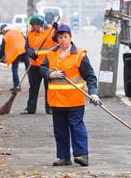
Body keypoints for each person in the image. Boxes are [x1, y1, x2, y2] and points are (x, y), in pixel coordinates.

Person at [40, 24, 102, 167]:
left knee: (77, 128)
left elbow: (90, 76)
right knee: (60, 130)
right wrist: (49, 74)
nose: (63, 40)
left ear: (70, 37)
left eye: (65, 37)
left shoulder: (79, 56)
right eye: (60, 37)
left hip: (74, 101)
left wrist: (93, 93)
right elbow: (42, 68)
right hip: (56, 101)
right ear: (57, 39)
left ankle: (82, 155)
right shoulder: (50, 54)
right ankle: (64, 157)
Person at [21, 15, 57, 114]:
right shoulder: (30, 32)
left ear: (39, 25)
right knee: (33, 87)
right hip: (34, 64)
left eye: (33, 25)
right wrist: (30, 53)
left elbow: (58, 40)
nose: (31, 27)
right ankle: (30, 108)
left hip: (47, 65)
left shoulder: (51, 30)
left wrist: (57, 30)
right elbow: (27, 46)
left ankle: (49, 108)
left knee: (49, 87)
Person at [0, 24, 29, 91]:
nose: (2, 34)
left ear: (3, 30)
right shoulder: (17, 31)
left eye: (1, 33)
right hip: (24, 50)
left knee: (14, 69)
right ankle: (33, 85)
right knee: (28, 68)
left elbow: (2, 49)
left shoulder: (5, 37)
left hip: (16, 53)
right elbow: (25, 39)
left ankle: (16, 86)